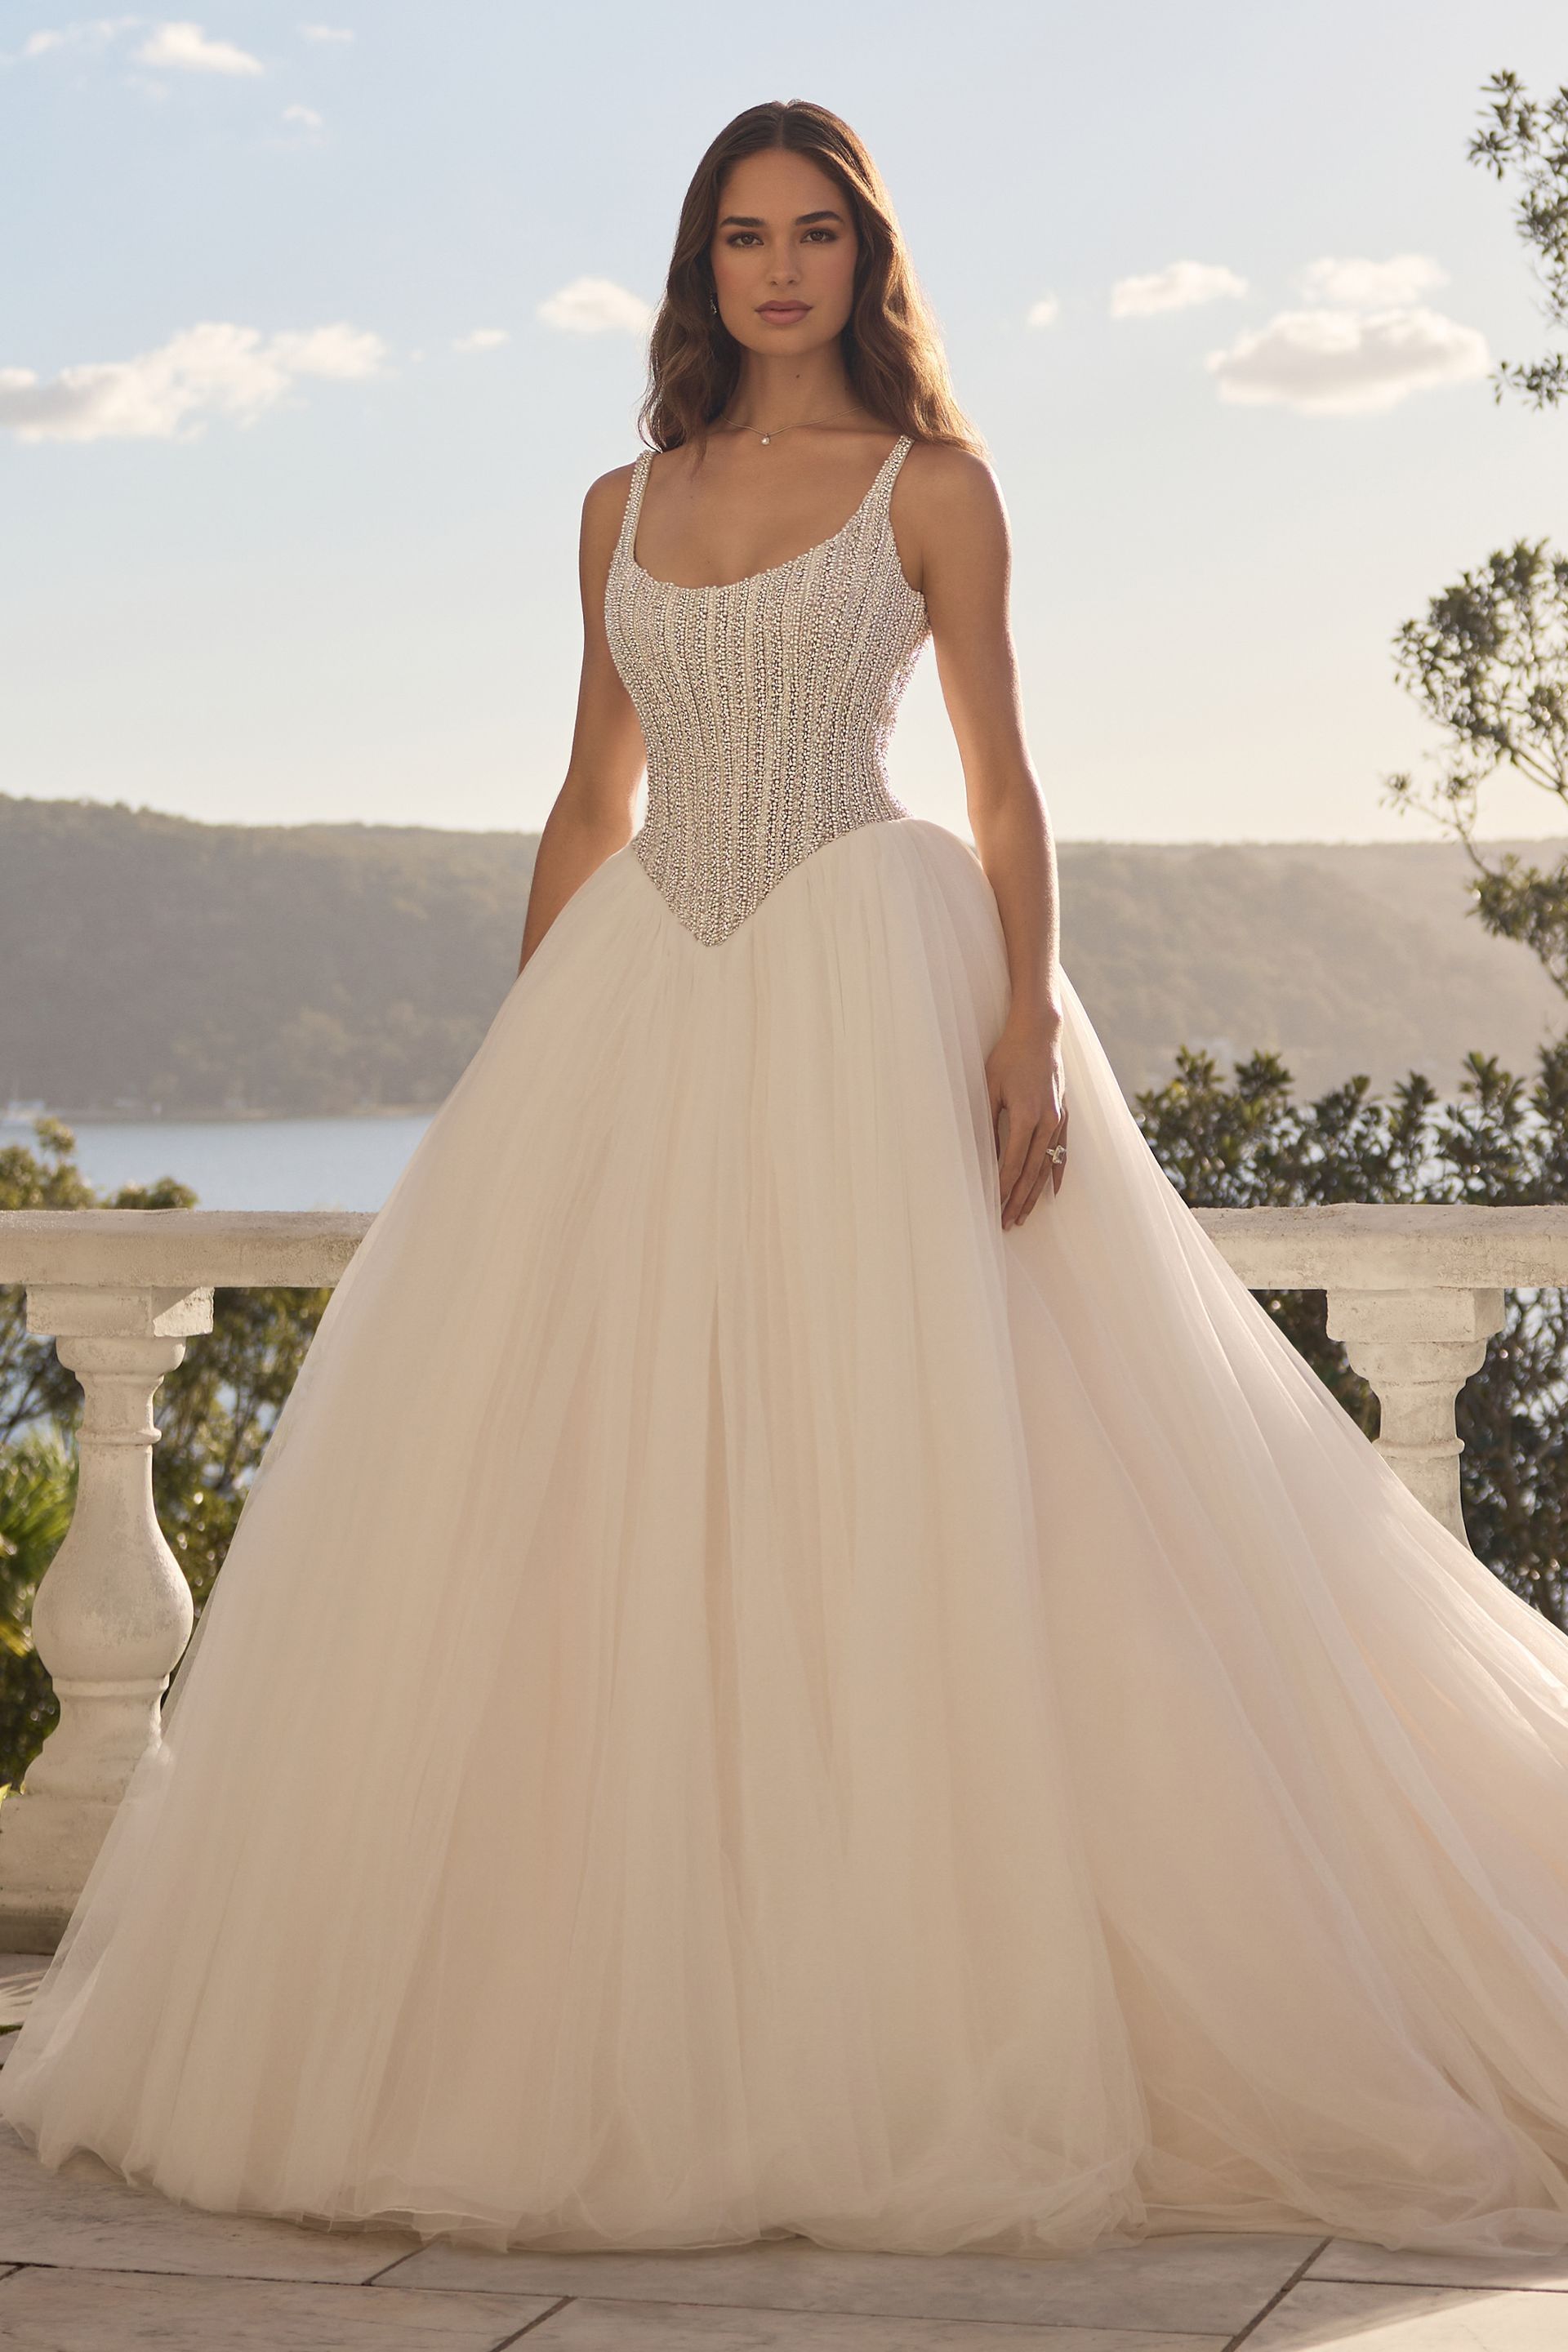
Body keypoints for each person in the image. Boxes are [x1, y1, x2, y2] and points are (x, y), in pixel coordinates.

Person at [7, 96, 1568, 2265]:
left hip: (868, 966)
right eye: (741, 232)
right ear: (699, 262)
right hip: (644, 990)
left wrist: (1024, 1026)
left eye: (812, 232)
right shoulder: (615, 504)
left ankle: (915, 2000)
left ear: (863, 258)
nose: (775, 266)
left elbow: (1013, 792)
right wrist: (524, 1067)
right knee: (609, 1499)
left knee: (911, 1465)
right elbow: (584, 792)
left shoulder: (938, 489)